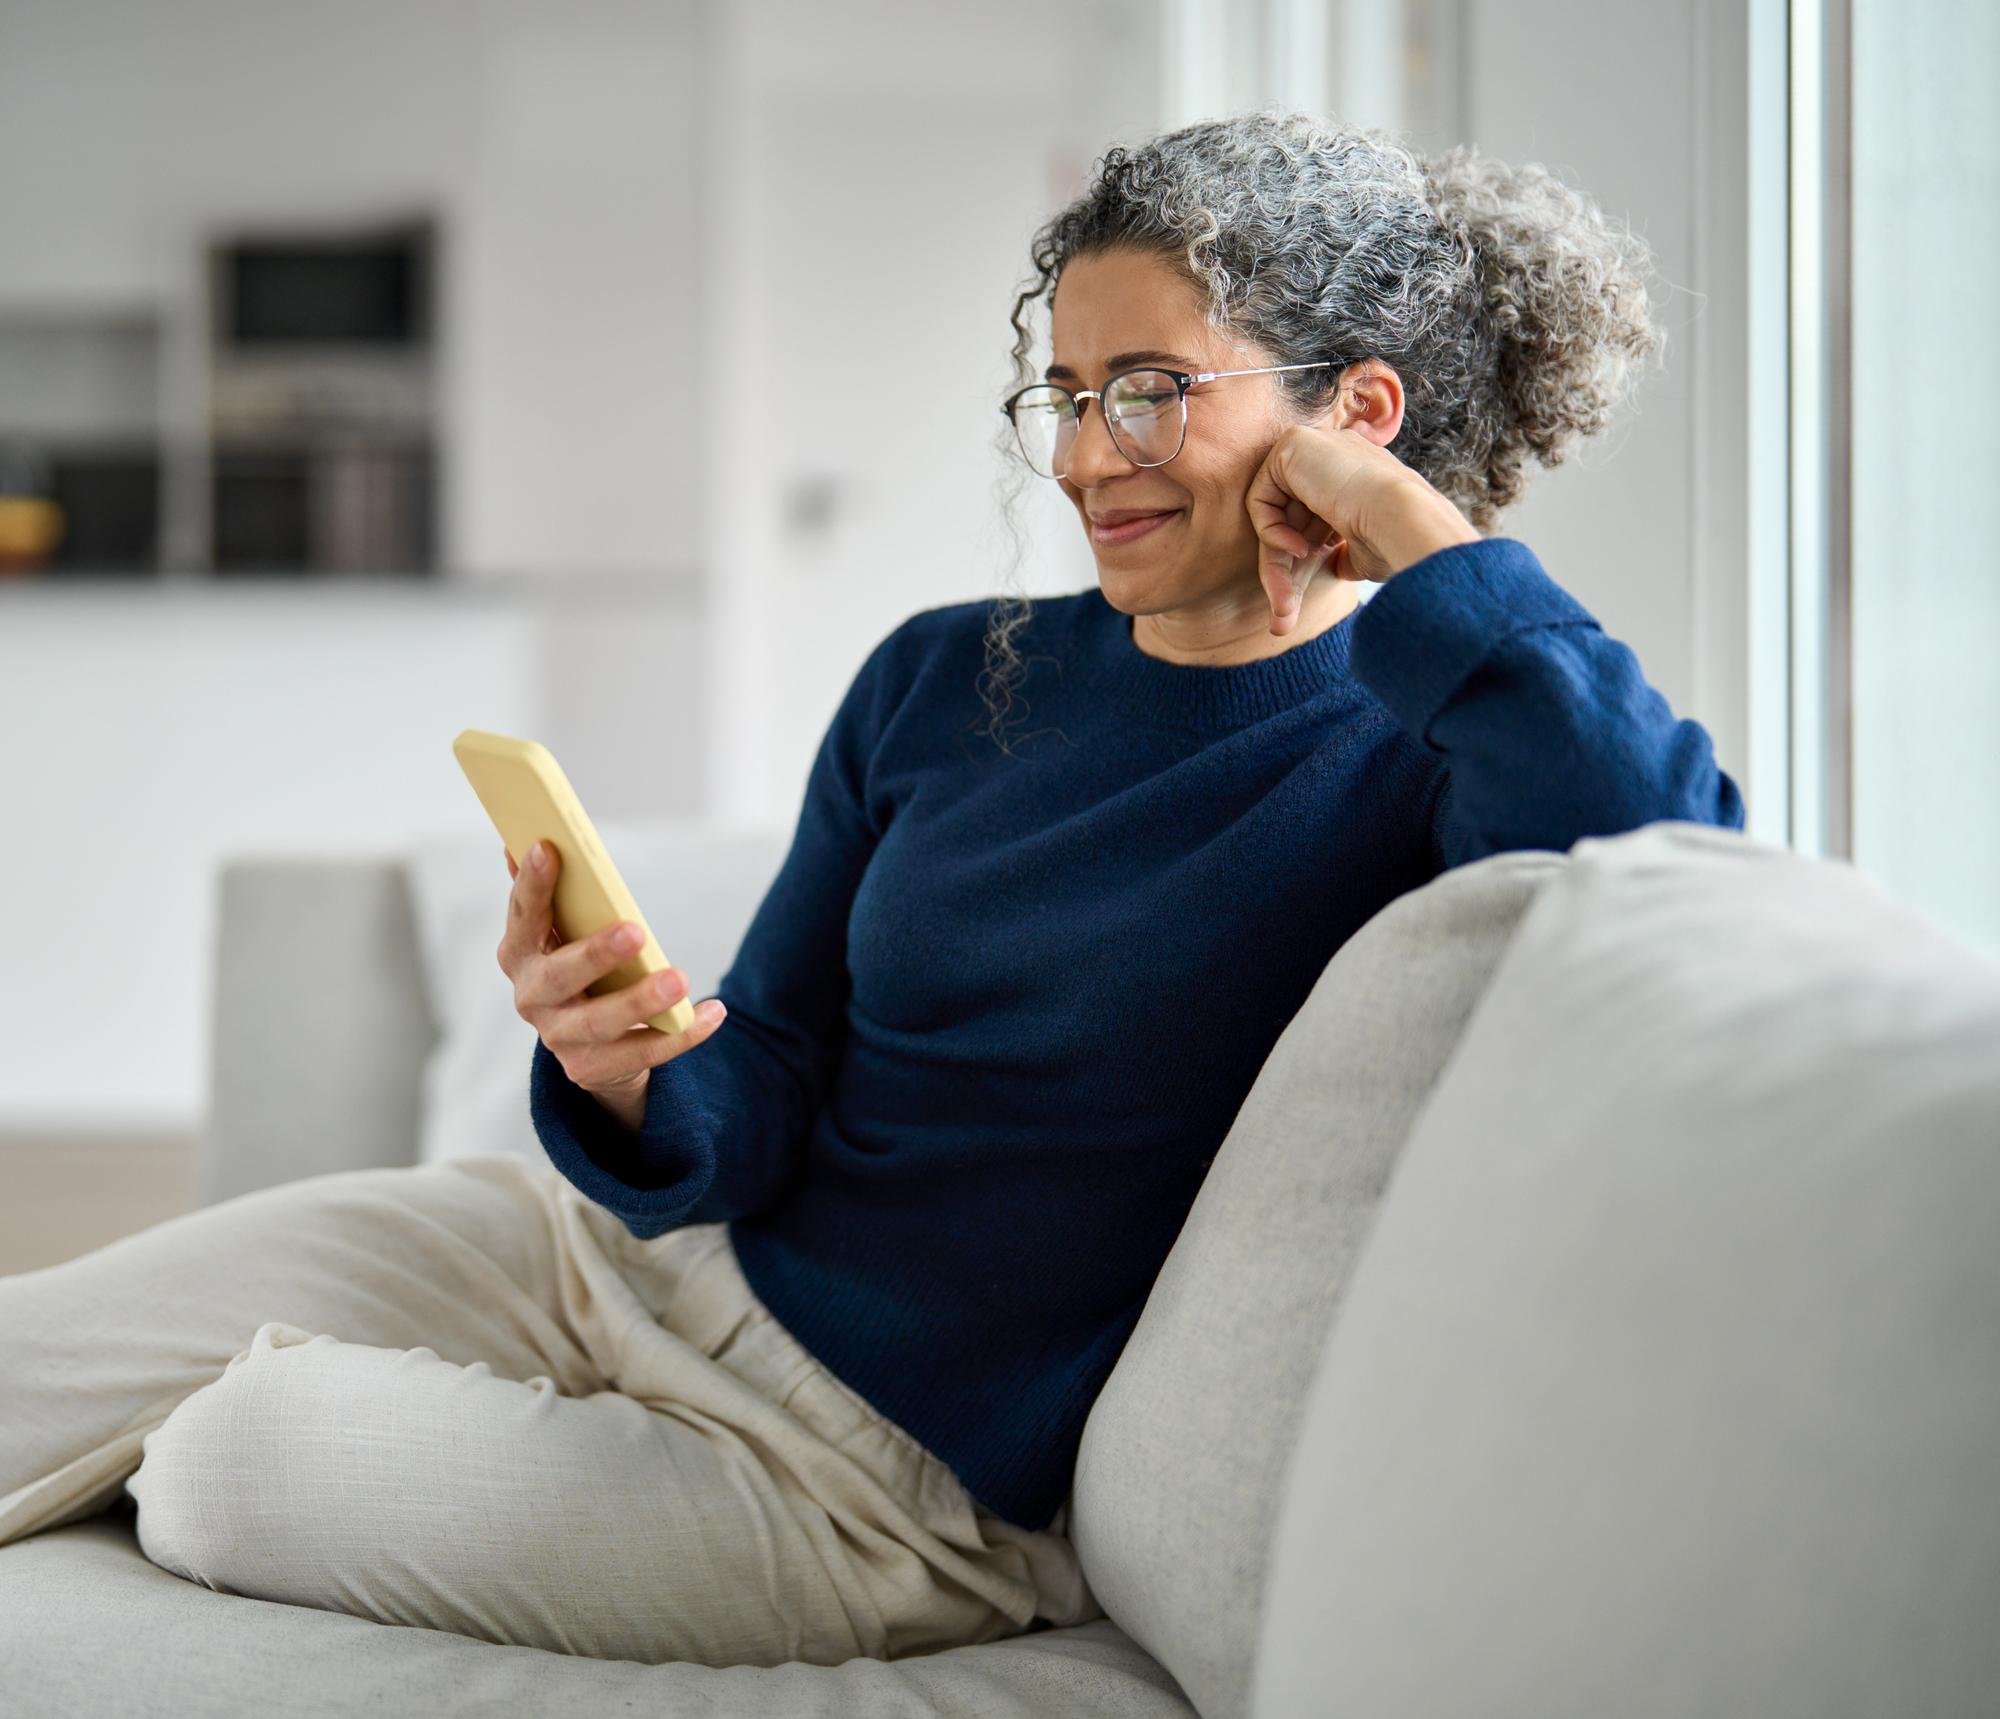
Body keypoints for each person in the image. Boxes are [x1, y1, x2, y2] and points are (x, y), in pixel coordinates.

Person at [0, 110, 1743, 1669]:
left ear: (1355, 413)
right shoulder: (942, 674)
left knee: (230, 1468)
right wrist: (626, 1071)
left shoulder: (1422, 748)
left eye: (1150, 392)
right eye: (1066, 396)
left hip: (868, 1487)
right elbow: (766, 1070)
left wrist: (1410, 529)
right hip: (613, 1268)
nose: (1083, 459)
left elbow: (1669, 850)